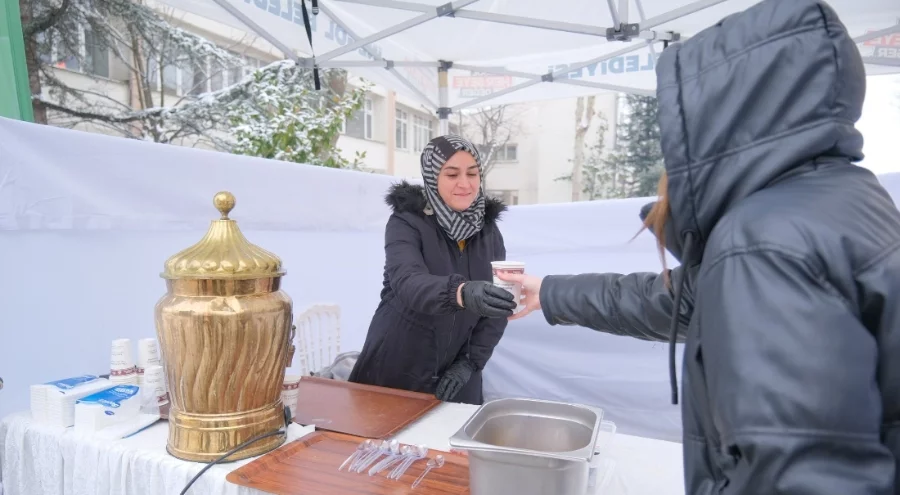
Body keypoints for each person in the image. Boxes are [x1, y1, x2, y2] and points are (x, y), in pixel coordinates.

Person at [500, 1, 900, 493]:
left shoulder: (763, 241)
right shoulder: (846, 199)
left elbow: (802, 479)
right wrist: (551, 292)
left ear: (718, 116)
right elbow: (685, 301)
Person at [348, 135, 516, 405]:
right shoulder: (407, 222)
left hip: (458, 375)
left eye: (472, 173)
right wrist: (461, 292)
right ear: (432, 176)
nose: (465, 183)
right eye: (452, 174)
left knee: (454, 444)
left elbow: (498, 305)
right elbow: (408, 281)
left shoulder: (489, 232)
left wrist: (471, 363)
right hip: (398, 365)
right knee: (386, 444)